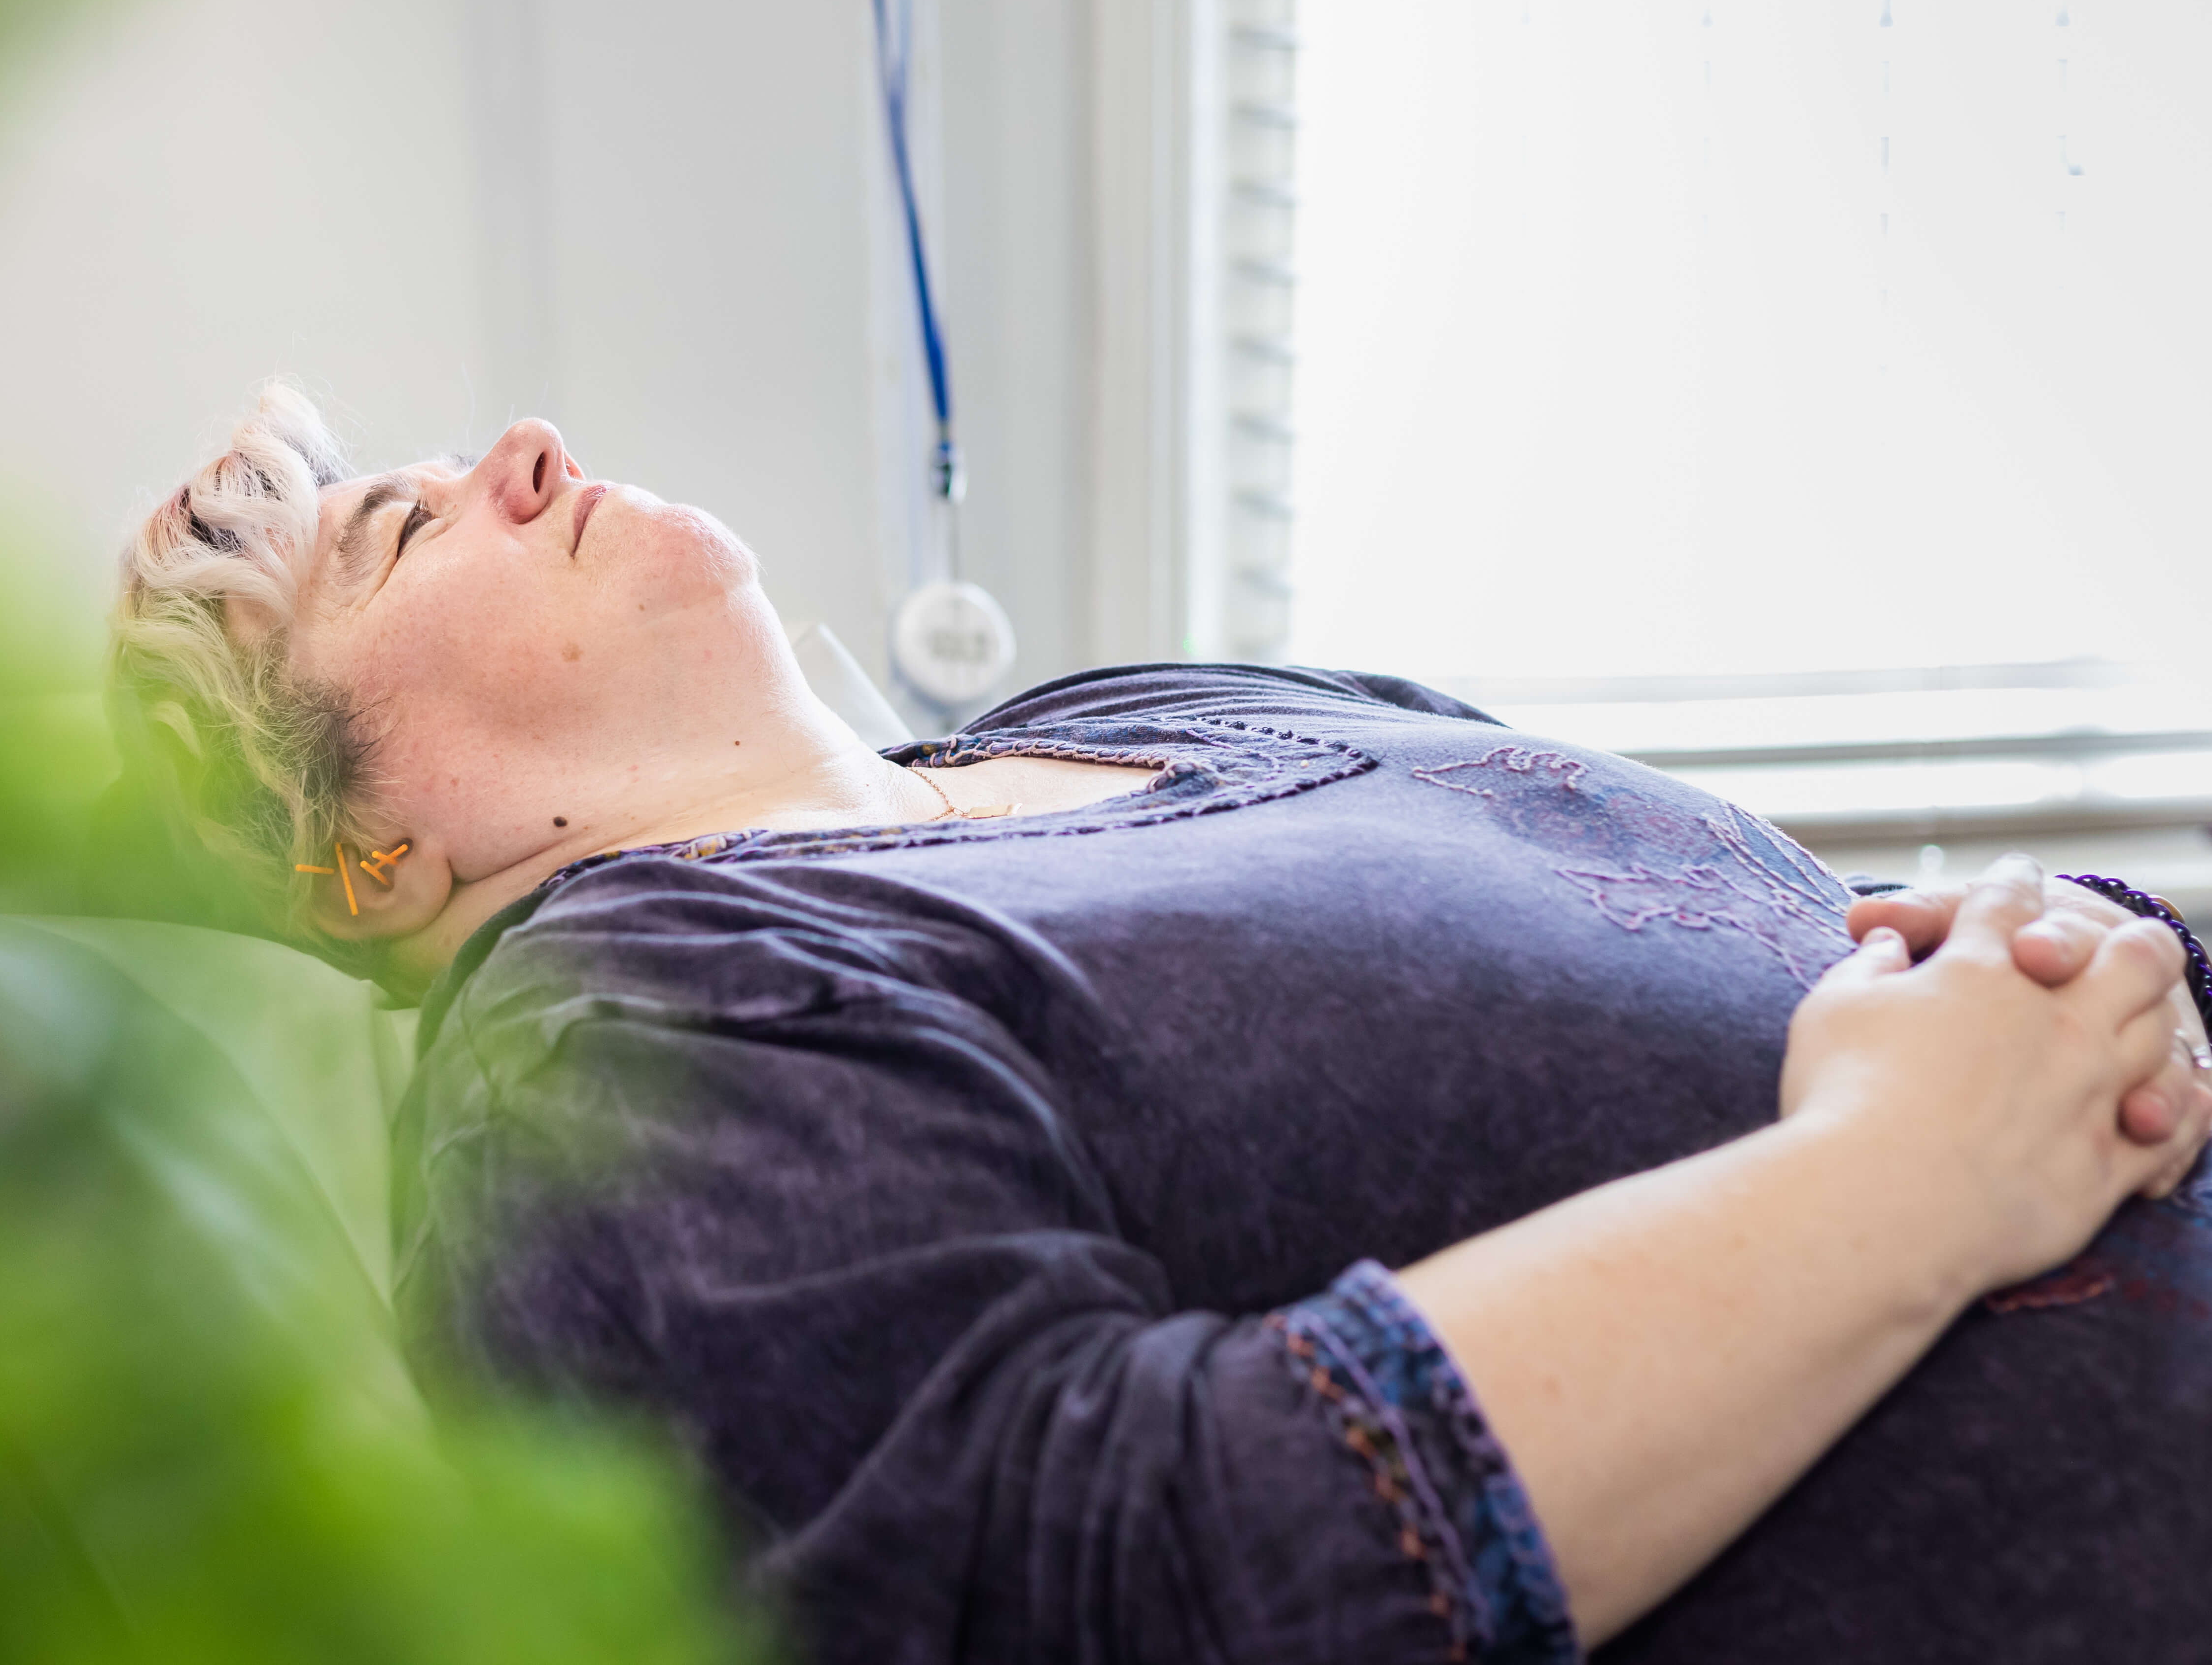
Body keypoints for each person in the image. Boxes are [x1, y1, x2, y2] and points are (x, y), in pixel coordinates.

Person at [111, 386, 2212, 1664]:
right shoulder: (606, 1047)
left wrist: (2081, 950)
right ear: (358, 868)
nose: (524, 448)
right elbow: (1118, 1591)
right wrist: (1907, 1181)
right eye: (397, 532)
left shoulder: (1137, 720)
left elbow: (1781, 947)